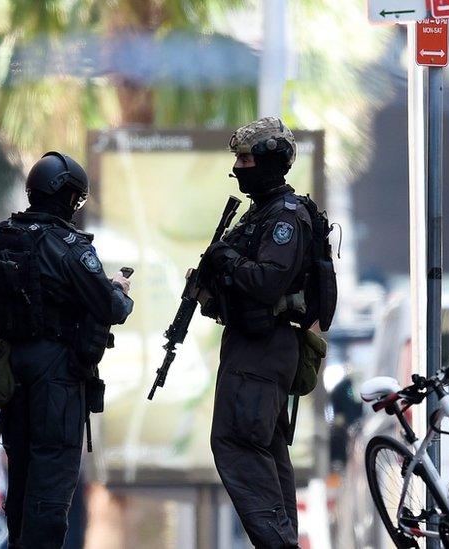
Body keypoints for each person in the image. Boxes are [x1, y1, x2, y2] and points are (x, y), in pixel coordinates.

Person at [0, 151, 133, 549]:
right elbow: (110, 308)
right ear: (67, 197)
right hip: (56, 375)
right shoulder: (68, 245)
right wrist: (118, 288)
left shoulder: (3, 234)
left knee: (22, 478)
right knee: (51, 483)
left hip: (14, 368)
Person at [204, 117, 313, 548]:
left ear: (270, 161)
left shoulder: (285, 217)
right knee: (263, 449)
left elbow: (268, 281)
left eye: (246, 159)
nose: (239, 168)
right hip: (250, 347)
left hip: (264, 348)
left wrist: (226, 259)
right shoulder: (261, 213)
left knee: (237, 444)